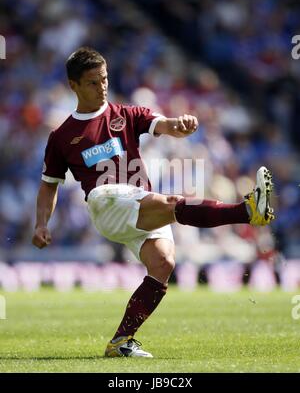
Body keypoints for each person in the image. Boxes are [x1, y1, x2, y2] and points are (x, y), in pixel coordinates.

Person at [32, 47, 275, 358]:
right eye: (93, 82)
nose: (102, 87)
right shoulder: (62, 135)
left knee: (163, 263)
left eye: (105, 79)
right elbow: (48, 185)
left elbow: (164, 124)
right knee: (172, 203)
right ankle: (248, 211)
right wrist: (41, 224)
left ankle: (121, 341)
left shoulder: (125, 115)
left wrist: (180, 123)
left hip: (137, 203)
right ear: (74, 85)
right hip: (106, 201)